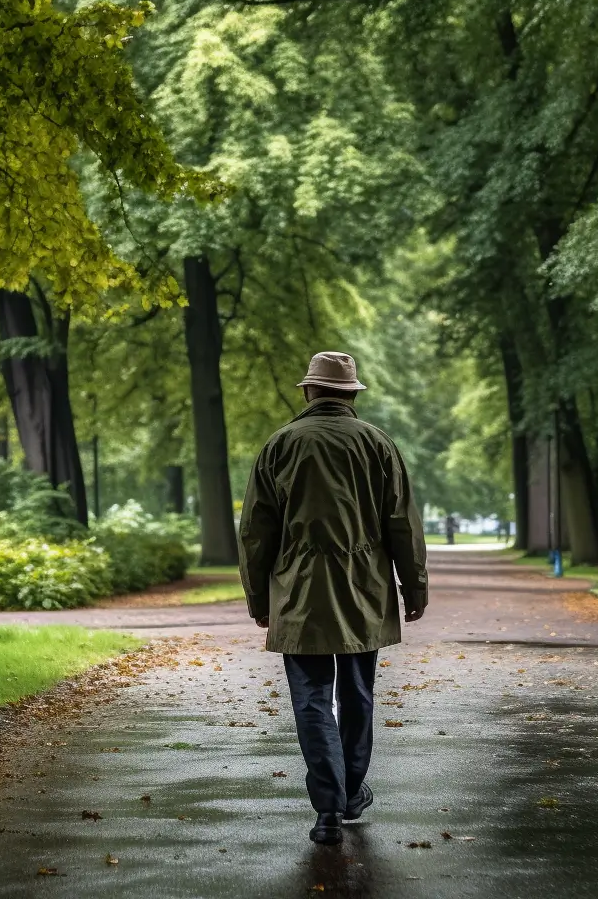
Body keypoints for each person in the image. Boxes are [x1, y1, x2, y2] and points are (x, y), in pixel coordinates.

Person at [239, 351, 428, 846]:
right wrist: (415, 586)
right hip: (363, 588)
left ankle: (327, 810)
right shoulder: (377, 444)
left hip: (299, 592)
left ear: (309, 392)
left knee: (312, 699)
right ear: (349, 394)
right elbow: (402, 524)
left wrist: (259, 597)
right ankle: (349, 793)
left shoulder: (280, 445)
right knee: (358, 693)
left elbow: (256, 533)